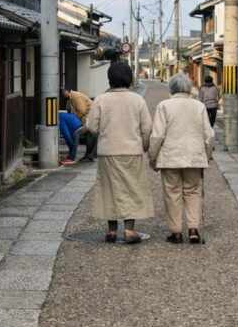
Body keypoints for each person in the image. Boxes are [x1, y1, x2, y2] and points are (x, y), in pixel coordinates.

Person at [85, 62, 153, 243]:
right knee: (131, 189)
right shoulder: (137, 100)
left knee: (109, 189)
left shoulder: (100, 99)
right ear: (129, 78)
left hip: (108, 151)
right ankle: (129, 230)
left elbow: (91, 127)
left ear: (110, 79)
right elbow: (147, 128)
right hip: (131, 151)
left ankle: (112, 230)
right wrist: (145, 146)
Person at [149, 73, 214, 244]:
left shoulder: (164, 106)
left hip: (170, 157)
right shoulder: (199, 106)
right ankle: (193, 229)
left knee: (172, 193)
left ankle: (175, 231)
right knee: (193, 192)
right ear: (188, 87)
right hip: (194, 156)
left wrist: (152, 157)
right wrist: (206, 157)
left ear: (171, 88)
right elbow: (209, 136)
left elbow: (157, 136)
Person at [62, 87, 97, 161]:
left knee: (77, 134)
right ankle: (89, 156)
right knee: (88, 136)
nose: (63, 95)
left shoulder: (75, 96)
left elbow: (82, 110)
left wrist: (76, 120)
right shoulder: (70, 98)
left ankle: (75, 156)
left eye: (63, 93)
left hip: (88, 117)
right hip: (88, 118)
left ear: (66, 91)